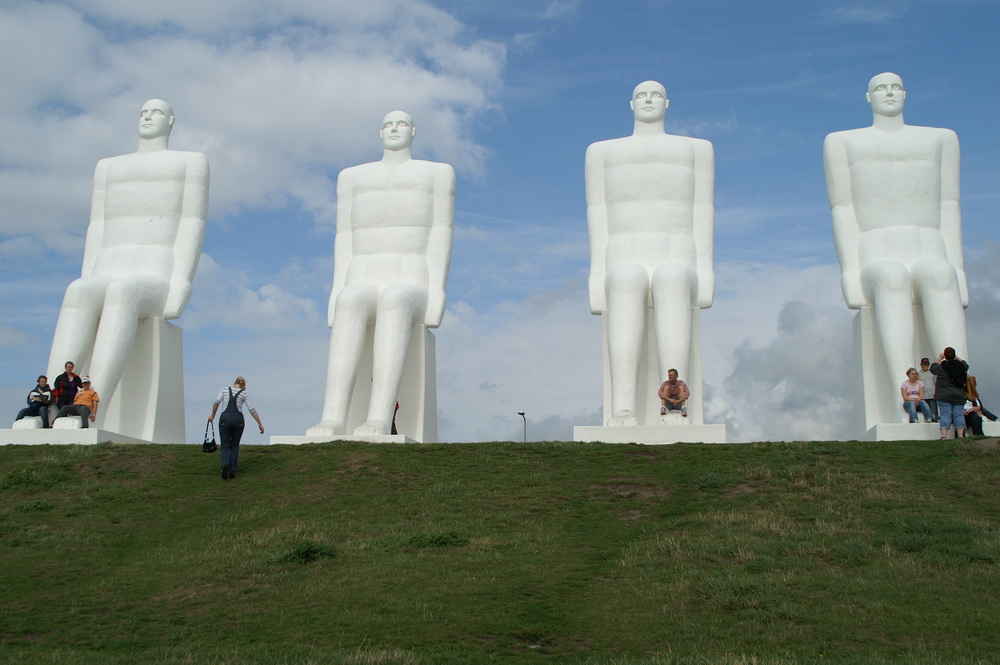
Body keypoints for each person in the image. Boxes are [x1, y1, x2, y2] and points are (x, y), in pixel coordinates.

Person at [46, 99, 209, 413]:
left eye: (156, 112)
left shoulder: (191, 162)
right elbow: (97, 226)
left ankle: (93, 405)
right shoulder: (109, 166)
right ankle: (48, 403)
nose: (148, 117)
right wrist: (88, 274)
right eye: (143, 112)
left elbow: (192, 223)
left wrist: (180, 283)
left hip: (154, 276)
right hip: (107, 269)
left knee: (123, 291)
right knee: (78, 291)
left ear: (171, 121)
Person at [825, 73, 969, 412]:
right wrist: (850, 271)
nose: (889, 93)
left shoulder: (941, 139)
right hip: (877, 248)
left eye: (894, 88)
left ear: (905, 94)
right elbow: (842, 208)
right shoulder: (843, 142)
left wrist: (959, 268)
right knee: (891, 278)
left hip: (928, 244)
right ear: (868, 97)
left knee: (939, 275)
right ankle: (902, 396)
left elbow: (950, 205)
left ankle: (963, 394)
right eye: (880, 88)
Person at [308, 111, 455, 437]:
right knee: (351, 299)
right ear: (379, 132)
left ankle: (378, 416)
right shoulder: (352, 177)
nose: (393, 128)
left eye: (401, 123)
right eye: (388, 124)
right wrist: (335, 291)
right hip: (363, 274)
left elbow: (441, 233)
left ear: (414, 131)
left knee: (395, 297)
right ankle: (332, 417)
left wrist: (438, 292)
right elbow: (343, 237)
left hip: (411, 278)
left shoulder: (436, 173)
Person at [586, 81, 714, 426]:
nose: (648, 100)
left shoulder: (696, 149)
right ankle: (622, 406)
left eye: (655, 94)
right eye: (641, 95)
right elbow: (597, 214)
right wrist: (597, 275)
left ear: (667, 103)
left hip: (677, 255)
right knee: (626, 279)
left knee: (672, 277)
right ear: (630, 104)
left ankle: (676, 406)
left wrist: (707, 271)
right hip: (623, 255)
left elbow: (703, 210)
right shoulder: (601, 152)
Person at [208, 377, 264, 480]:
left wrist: (213, 415)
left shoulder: (224, 389)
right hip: (238, 420)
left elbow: (216, 402)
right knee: (234, 445)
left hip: (224, 419)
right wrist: (259, 423)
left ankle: (224, 464)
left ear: (234, 383)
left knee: (225, 445)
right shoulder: (244, 393)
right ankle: (233, 470)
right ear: (243, 385)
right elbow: (251, 409)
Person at [930, 347, 968, 439]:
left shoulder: (942, 367)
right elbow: (965, 364)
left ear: (945, 356)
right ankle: (961, 435)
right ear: (954, 355)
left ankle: (943, 436)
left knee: (945, 414)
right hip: (958, 395)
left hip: (944, 395)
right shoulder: (961, 366)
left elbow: (933, 368)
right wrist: (956, 357)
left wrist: (940, 357)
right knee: (959, 415)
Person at [917, 357, 938, 422]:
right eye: (924, 364)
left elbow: (936, 383)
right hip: (923, 397)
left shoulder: (933, 373)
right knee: (925, 411)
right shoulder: (918, 374)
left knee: (934, 411)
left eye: (927, 364)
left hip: (932, 396)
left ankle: (935, 420)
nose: (925, 366)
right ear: (921, 365)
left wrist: (936, 393)